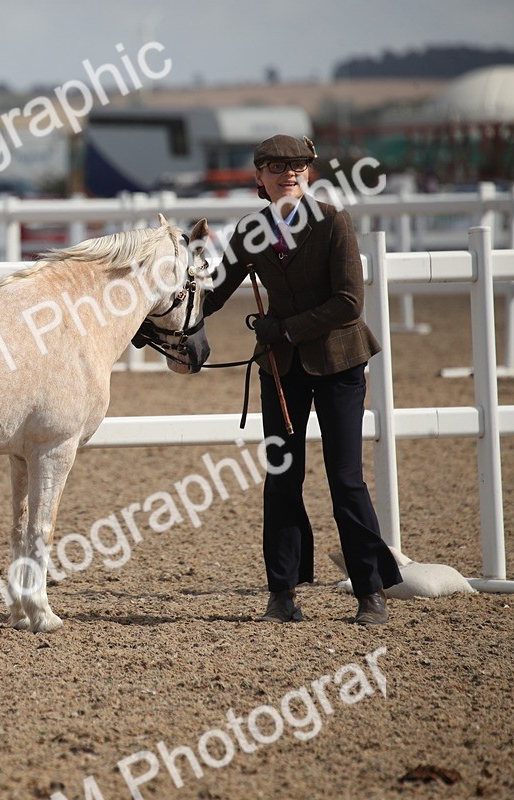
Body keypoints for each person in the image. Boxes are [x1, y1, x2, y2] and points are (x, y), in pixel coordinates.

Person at [202, 134, 402, 625]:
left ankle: (370, 590)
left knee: (345, 478)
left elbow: (349, 302)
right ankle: (283, 591)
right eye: (275, 168)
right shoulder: (251, 231)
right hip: (280, 368)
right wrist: (169, 310)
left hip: (339, 363)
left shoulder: (333, 222)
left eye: (295, 167)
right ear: (260, 179)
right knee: (282, 478)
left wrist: (286, 328)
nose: (287, 174)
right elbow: (214, 292)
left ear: (308, 174)